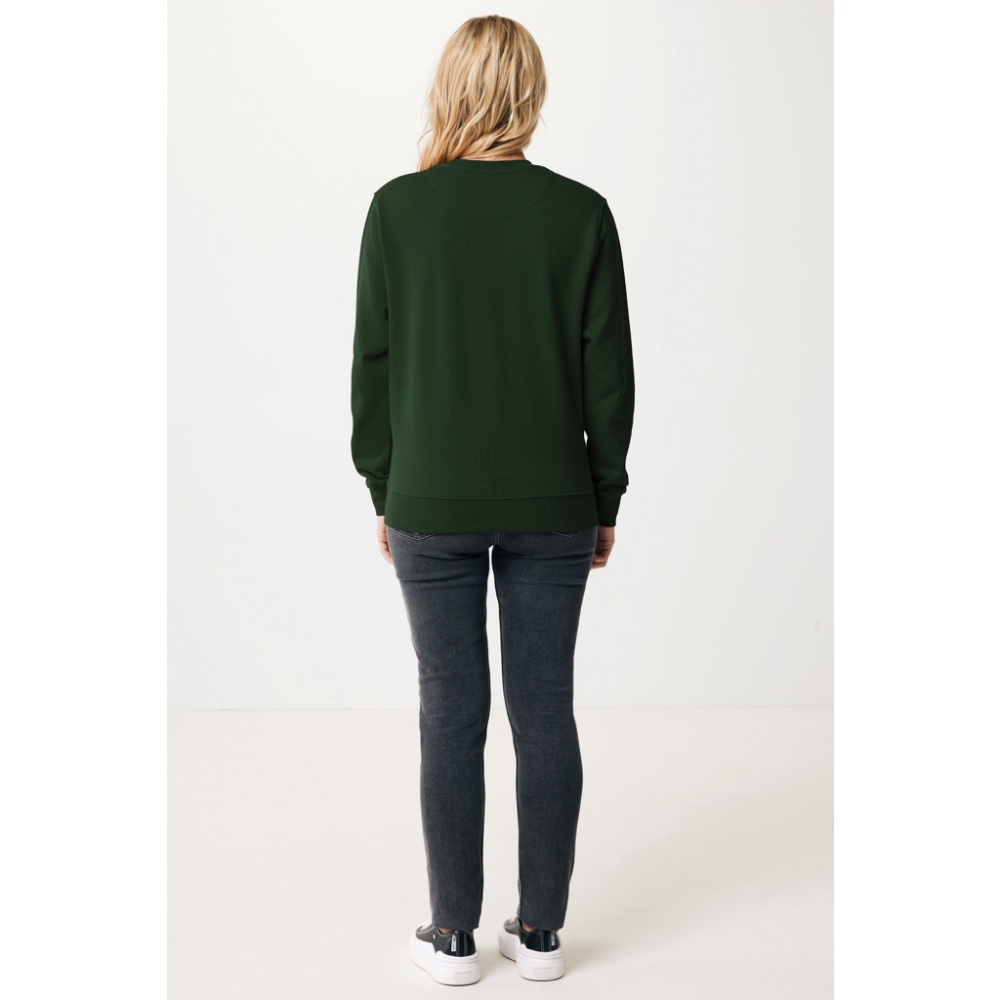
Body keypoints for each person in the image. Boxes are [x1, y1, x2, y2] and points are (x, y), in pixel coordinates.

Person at [350, 14, 635, 987]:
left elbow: (372, 366)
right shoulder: (581, 214)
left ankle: (452, 937)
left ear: (451, 88)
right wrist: (604, 494)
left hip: (429, 502)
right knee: (544, 709)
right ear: (530, 94)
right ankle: (542, 935)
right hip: (556, 502)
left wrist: (384, 485)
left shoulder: (398, 211)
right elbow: (609, 376)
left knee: (450, 712)